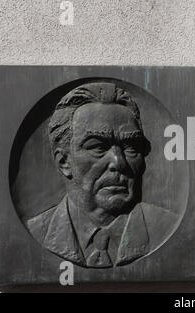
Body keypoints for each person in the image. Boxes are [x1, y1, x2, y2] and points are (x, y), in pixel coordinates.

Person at [27, 82, 177, 268]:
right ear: (63, 161)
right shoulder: (35, 232)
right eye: (98, 147)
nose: (118, 162)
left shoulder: (165, 227)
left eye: (130, 147)